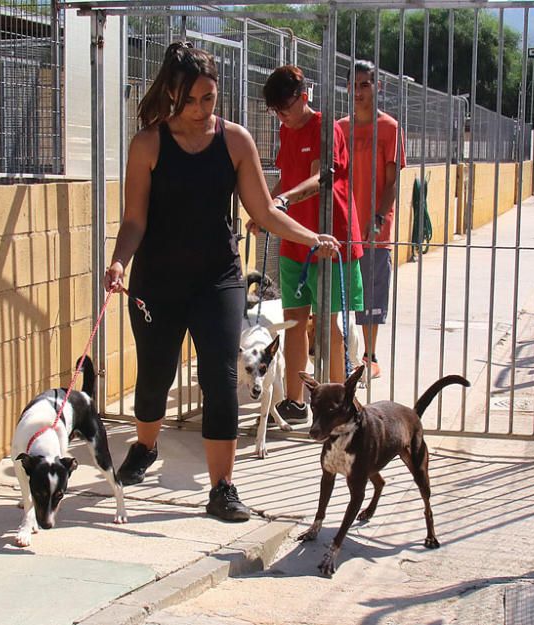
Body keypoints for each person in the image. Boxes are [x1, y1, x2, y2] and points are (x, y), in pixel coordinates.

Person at [103, 43, 339, 522]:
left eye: (208, 98)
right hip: (156, 281)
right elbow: (133, 220)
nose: (199, 110)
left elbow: (264, 210)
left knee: (219, 377)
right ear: (171, 94)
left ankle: (223, 487)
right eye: (189, 100)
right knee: (153, 376)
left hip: (218, 279)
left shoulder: (235, 141)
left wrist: (313, 236)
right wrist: (119, 262)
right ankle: (145, 447)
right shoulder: (147, 144)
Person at [260, 65, 364, 424]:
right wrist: (265, 210)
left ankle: (336, 402)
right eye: (275, 111)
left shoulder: (326, 127)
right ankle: (295, 401)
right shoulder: (285, 130)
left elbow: (322, 176)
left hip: (330, 239)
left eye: (285, 109)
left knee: (329, 324)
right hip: (294, 242)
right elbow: (286, 177)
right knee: (293, 321)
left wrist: (283, 200)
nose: (281, 117)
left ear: (304, 97)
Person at [337, 60, 406, 380]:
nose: (360, 91)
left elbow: (392, 182)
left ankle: (370, 355)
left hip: (375, 229)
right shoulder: (340, 128)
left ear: (379, 87)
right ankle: (342, 357)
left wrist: (378, 216)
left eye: (366, 84)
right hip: (343, 227)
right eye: (355, 85)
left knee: (372, 296)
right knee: (342, 295)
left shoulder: (390, 128)